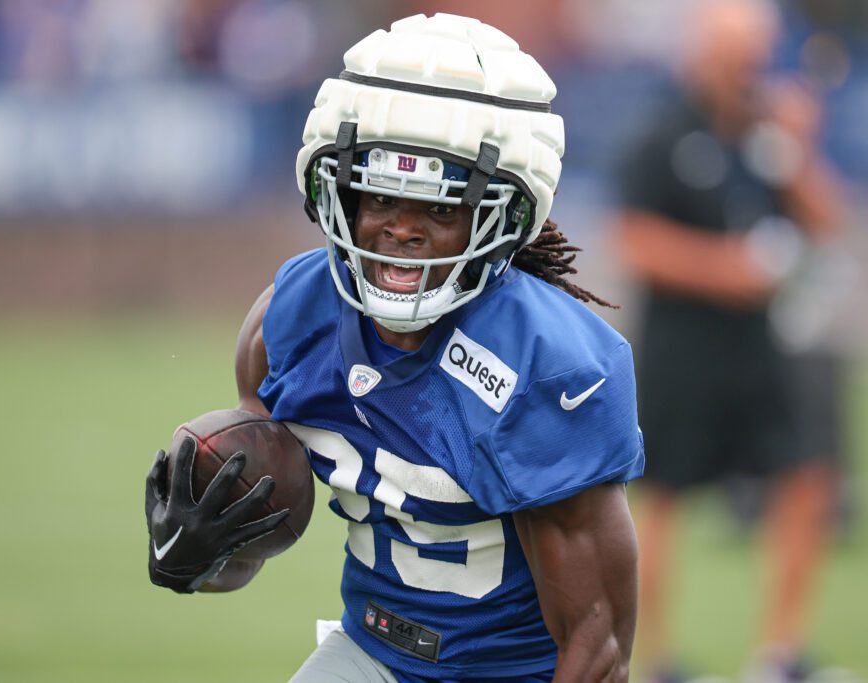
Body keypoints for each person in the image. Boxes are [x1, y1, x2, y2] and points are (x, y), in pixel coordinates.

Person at [144, 13, 645, 683]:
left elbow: (598, 642)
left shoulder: (547, 364)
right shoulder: (289, 321)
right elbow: (250, 544)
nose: (401, 230)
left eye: (439, 209)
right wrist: (194, 555)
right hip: (371, 654)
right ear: (338, 195)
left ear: (499, 217)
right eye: (379, 195)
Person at [613, 1, 844, 682]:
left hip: (762, 345)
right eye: (732, 52)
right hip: (683, 347)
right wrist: (726, 269)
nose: (746, 68)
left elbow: (829, 221)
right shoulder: (662, 134)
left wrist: (801, 146)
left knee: (806, 477)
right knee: (660, 497)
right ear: (699, 54)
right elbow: (636, 240)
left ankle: (780, 652)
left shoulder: (770, 137)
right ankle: (655, 658)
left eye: (755, 53)